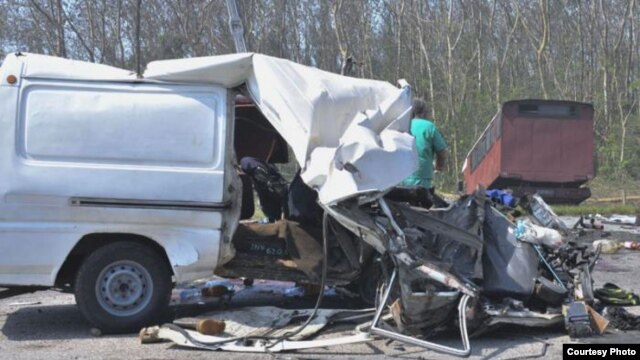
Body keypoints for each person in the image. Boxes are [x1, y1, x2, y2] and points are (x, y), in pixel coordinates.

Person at [402, 98, 448, 195]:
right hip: (422, 179)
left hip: (401, 178)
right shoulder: (429, 127)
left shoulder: (403, 125)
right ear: (423, 113)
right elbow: (442, 152)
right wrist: (439, 166)